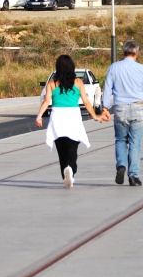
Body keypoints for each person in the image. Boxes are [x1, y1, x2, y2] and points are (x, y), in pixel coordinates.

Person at [35, 55, 104, 189]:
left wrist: (39, 116)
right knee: (73, 147)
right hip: (73, 117)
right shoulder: (78, 82)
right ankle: (71, 169)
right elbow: (86, 101)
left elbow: (46, 101)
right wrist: (95, 116)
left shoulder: (52, 83)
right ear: (71, 67)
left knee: (61, 149)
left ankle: (65, 171)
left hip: (57, 117)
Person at [99, 40, 143, 187]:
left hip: (120, 108)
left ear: (123, 52)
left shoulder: (114, 68)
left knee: (120, 140)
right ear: (136, 53)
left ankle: (121, 166)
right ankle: (133, 175)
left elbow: (107, 89)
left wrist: (105, 108)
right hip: (138, 108)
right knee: (135, 143)